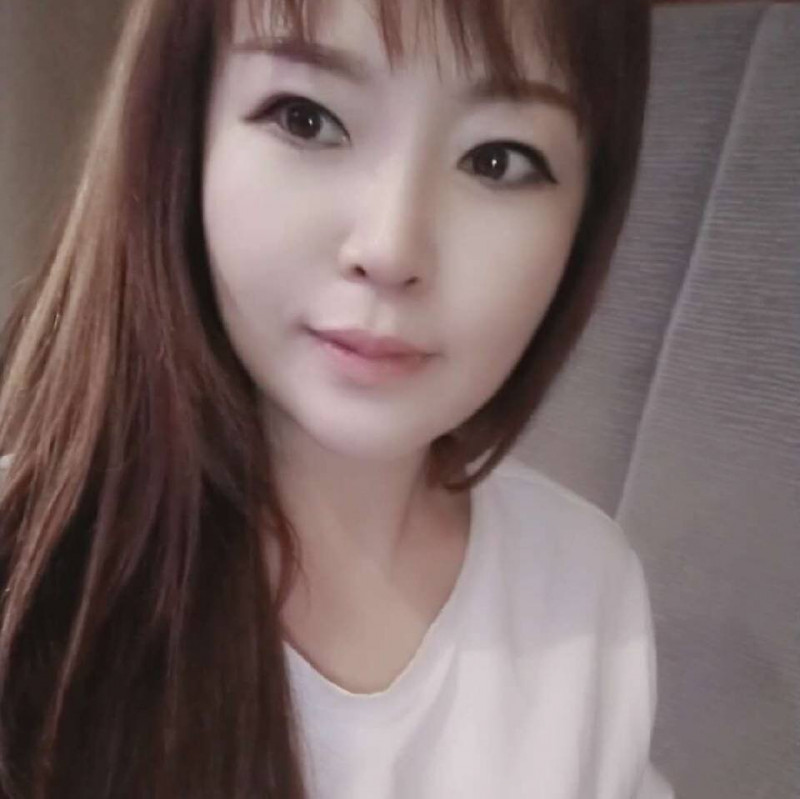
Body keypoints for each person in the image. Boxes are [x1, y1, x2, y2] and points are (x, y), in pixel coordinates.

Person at [0, 0, 673, 795]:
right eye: (307, 119)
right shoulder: (27, 572)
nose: (390, 248)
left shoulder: (584, 590)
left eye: (497, 160)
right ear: (183, 136)